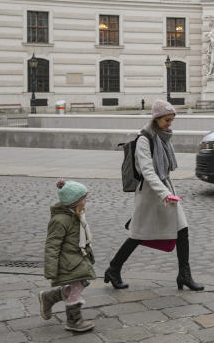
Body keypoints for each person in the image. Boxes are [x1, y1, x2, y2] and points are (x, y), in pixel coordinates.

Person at [104, 101, 203, 291]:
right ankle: (113, 269)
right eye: (167, 120)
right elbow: (148, 172)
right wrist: (165, 193)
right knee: (138, 235)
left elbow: (163, 169)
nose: (170, 124)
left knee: (182, 230)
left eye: (171, 120)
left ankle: (184, 274)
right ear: (156, 119)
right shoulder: (144, 139)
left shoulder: (163, 137)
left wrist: (167, 192)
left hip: (165, 190)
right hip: (150, 195)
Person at [39, 179, 95, 333]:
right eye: (83, 199)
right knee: (77, 287)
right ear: (74, 202)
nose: (86, 202)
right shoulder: (60, 220)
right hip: (68, 262)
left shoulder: (76, 214)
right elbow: (52, 245)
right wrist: (51, 269)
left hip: (77, 258)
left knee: (83, 282)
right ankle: (74, 320)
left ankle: (49, 297)